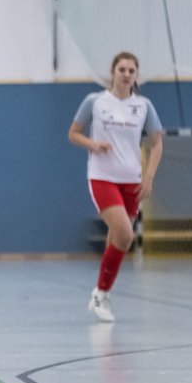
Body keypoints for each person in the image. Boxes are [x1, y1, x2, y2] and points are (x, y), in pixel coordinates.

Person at [68, 51, 164, 323]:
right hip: (102, 176)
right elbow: (73, 133)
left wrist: (149, 177)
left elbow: (157, 142)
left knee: (117, 238)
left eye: (131, 70)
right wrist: (93, 145)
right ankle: (101, 293)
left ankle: (102, 292)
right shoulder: (95, 102)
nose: (126, 74)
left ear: (136, 75)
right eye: (122, 69)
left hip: (131, 180)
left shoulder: (144, 106)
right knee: (124, 235)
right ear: (112, 71)